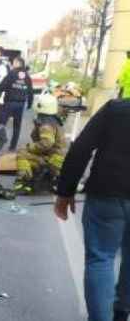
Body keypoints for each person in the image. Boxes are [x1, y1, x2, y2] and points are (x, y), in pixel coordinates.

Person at [54, 99, 130, 321]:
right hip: (109, 193)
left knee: (101, 258)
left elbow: (82, 148)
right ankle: (122, 311)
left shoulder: (116, 109)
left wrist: (65, 191)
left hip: (108, 191)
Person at [13, 93, 67, 195]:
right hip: (57, 159)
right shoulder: (53, 120)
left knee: (22, 153)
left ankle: (24, 182)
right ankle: (41, 178)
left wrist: (29, 147)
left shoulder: (46, 124)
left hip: (52, 160)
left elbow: (46, 143)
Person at [0, 57, 34, 151]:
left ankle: (2, 139)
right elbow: (30, 91)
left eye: (13, 63)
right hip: (21, 104)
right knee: (17, 125)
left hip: (9, 102)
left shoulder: (11, 73)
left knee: (1, 122)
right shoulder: (27, 76)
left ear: (17, 63)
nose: (12, 64)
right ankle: (13, 146)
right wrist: (29, 103)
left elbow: (2, 86)